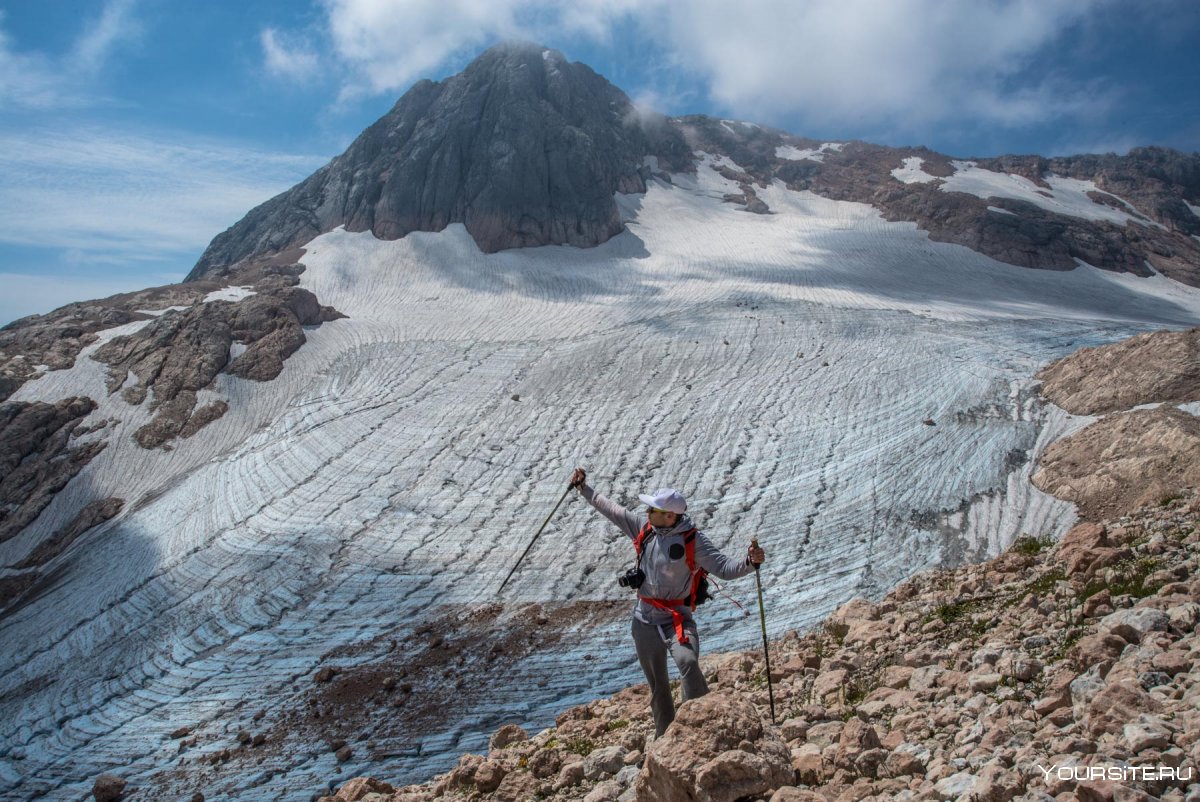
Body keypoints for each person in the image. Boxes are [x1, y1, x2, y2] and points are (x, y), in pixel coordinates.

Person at [569, 467, 766, 737]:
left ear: (670, 516)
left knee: (688, 662)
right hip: (644, 621)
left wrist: (749, 563)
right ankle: (666, 739)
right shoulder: (645, 529)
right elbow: (612, 510)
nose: (647, 513)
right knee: (658, 686)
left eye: (653, 510)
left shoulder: (693, 540)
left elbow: (724, 567)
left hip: (678, 620)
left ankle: (698, 725)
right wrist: (584, 488)